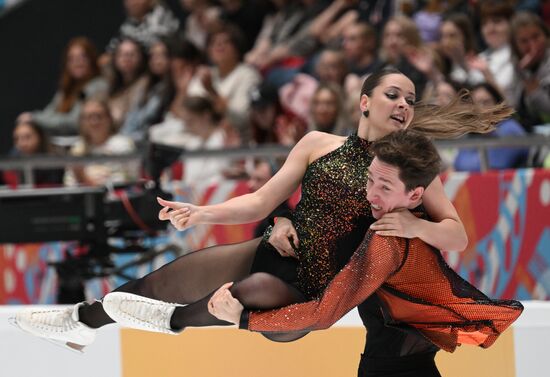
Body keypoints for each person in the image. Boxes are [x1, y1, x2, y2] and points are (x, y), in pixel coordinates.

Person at [12, 68, 511, 353]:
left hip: (311, 290)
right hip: (274, 252)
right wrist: (201, 213)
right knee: (160, 281)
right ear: (364, 101)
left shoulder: (406, 169)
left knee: (245, 292)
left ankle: (169, 322)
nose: (404, 104)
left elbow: (457, 236)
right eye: (393, 94)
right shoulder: (319, 143)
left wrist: (411, 226)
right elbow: (261, 200)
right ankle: (79, 324)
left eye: (410, 99)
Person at [207, 130, 523, 377]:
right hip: (411, 366)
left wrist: (244, 319)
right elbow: (454, 234)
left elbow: (322, 314)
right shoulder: (420, 219)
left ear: (414, 195)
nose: (370, 194)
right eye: (369, 179)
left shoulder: (387, 240)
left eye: (384, 187)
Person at [17, 37, 108, 137]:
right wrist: (34, 119)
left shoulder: (98, 86)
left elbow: (75, 122)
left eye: (82, 57)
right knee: (25, 130)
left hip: (81, 144)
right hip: (57, 142)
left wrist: (35, 118)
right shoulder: (67, 89)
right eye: (71, 58)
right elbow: (48, 113)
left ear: (91, 59)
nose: (77, 62)